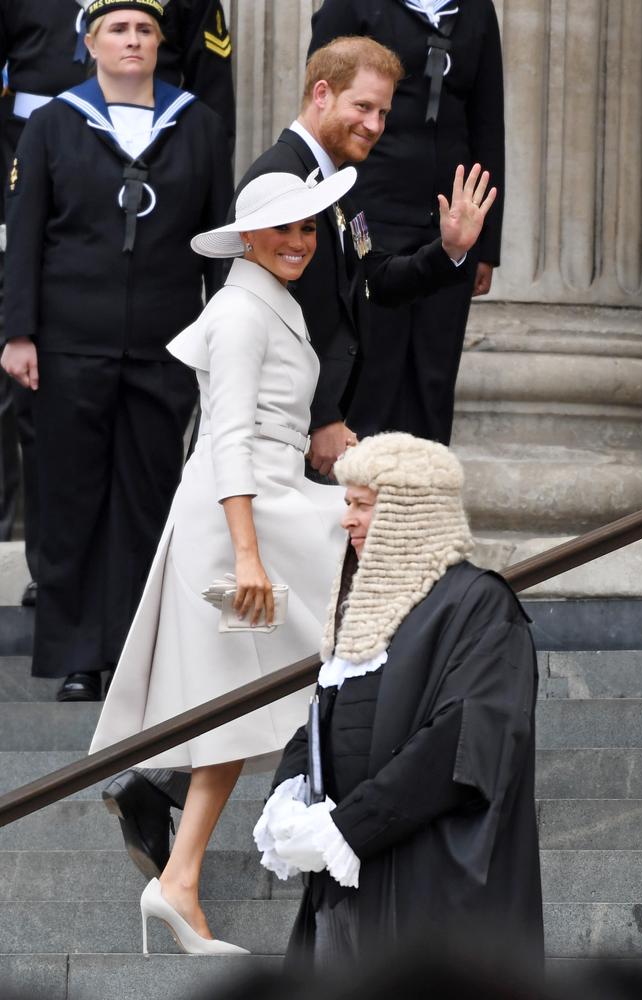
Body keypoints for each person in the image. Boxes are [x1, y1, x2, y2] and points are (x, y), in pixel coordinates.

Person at [101, 32, 497, 879]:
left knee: (299, 627)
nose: (376, 124)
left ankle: (192, 779)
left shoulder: (334, 195)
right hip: (277, 450)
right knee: (319, 615)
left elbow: (375, 282)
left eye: (385, 113)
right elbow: (256, 341)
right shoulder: (275, 182)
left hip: (297, 440)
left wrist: (453, 252)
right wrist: (320, 419)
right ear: (320, 94)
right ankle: (276, 785)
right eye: (363, 107)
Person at [89, 165, 360, 954]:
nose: (300, 242)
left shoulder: (265, 303)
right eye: (284, 227)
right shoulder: (242, 311)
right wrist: (246, 554)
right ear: (247, 237)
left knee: (242, 708)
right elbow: (230, 435)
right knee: (239, 706)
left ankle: (177, 876)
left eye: (309, 228)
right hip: (239, 514)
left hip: (268, 502)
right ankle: (177, 874)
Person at [0, 0, 233, 701]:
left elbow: (217, 242)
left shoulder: (197, 127)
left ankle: (137, 653)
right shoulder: (51, 126)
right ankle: (78, 658)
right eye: (118, 30)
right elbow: (28, 234)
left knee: (145, 499)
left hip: (162, 345)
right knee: (71, 499)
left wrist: (218, 334)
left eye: (144, 30)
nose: (132, 41)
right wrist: (17, 333)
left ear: (162, 43)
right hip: (70, 342)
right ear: (91, 43)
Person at [254, 432, 543, 967]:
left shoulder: (479, 605)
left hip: (428, 881)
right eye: (347, 504)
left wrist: (348, 829)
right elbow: (323, 716)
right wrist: (287, 794)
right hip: (346, 882)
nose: (348, 520)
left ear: (411, 514)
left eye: (363, 505)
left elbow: (461, 741)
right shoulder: (360, 608)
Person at [309, 0, 505, 445]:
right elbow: (324, 107)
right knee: (371, 379)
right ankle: (357, 507)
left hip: (448, 226)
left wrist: (485, 244)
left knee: (433, 382)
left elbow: (488, 120)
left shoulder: (475, 10)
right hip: (370, 216)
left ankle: (424, 505)